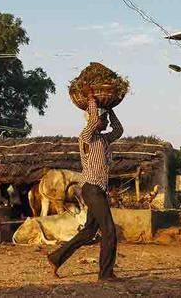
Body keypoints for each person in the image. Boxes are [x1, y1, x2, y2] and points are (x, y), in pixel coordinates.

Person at [47, 85, 123, 281]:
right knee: (109, 231)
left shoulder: (105, 140)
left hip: (98, 191)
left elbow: (119, 129)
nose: (105, 122)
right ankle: (105, 274)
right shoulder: (86, 137)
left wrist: (110, 109)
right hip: (92, 189)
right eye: (103, 119)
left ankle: (56, 258)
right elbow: (94, 120)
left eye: (105, 119)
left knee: (89, 232)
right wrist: (91, 98)